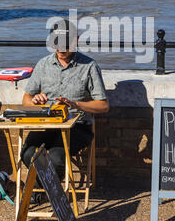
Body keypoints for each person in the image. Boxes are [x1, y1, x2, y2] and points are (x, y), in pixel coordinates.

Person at [21, 18, 109, 202]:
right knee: (28, 152)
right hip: (47, 124)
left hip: (78, 127)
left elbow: (103, 105)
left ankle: (41, 192)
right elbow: (26, 99)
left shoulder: (89, 66)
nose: (60, 49)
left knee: (56, 157)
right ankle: (45, 191)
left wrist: (76, 104)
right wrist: (35, 100)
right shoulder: (43, 64)